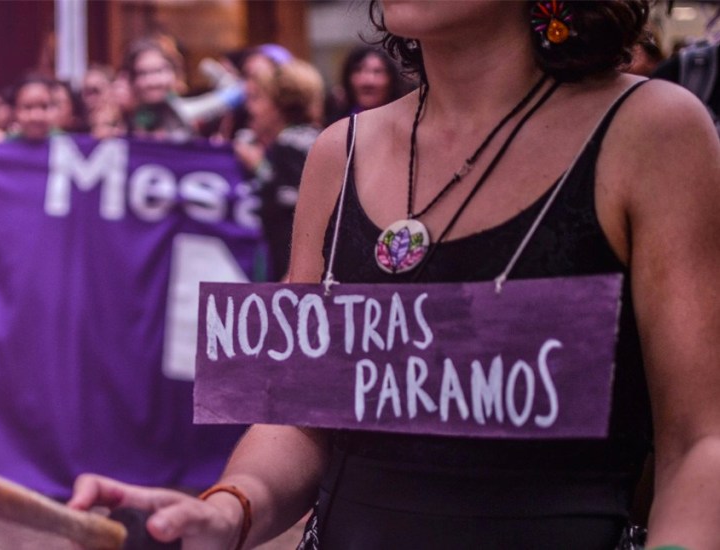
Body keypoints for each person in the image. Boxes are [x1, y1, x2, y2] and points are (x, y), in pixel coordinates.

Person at [67, 1, 720, 548]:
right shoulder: (338, 150)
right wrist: (228, 509)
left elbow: (700, 442)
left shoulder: (652, 130)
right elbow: (299, 417)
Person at [234, 59, 324, 282]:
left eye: (257, 98)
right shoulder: (311, 136)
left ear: (279, 105)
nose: (250, 108)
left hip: (297, 273)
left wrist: (258, 166)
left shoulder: (290, 143)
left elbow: (300, 211)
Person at [329, 45, 415, 123]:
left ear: (392, 78)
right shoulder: (337, 126)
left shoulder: (408, 123)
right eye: (358, 70)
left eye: (377, 71)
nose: (368, 81)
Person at [9, 75, 55, 142]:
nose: (36, 117)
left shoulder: (66, 143)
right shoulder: (4, 143)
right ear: (15, 111)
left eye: (44, 106)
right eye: (28, 107)